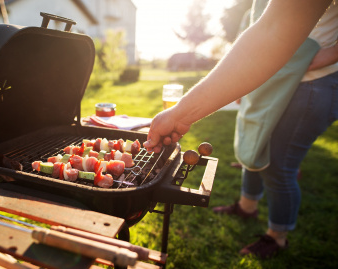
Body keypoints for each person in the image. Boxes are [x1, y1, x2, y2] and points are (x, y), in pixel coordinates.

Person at [144, 0, 338, 259]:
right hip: (272, 80)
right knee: (254, 142)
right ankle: (248, 207)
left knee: (279, 166)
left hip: (311, 84)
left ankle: (277, 237)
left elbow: (277, 30)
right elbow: (266, 30)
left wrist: (315, 58)